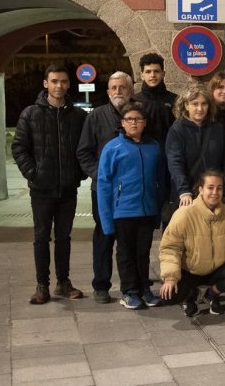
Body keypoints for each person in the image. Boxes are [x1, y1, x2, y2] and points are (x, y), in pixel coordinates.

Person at [12, 65, 88, 304]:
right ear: (46, 83)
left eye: (64, 81)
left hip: (67, 188)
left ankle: (63, 283)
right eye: (54, 81)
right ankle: (42, 285)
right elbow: (19, 147)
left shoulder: (78, 116)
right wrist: (33, 173)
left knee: (64, 237)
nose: (59, 86)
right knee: (41, 237)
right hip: (41, 190)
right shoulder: (31, 113)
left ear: (68, 84)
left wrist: (79, 173)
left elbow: (85, 148)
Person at [97, 102, 165, 310]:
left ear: (144, 123)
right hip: (123, 211)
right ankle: (129, 292)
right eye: (129, 119)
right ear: (122, 123)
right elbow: (104, 184)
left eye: (138, 119)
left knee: (143, 253)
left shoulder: (154, 147)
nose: (134, 123)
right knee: (125, 254)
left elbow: (160, 179)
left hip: (146, 210)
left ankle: (144, 288)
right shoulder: (112, 148)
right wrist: (107, 221)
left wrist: (157, 209)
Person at [159, 171, 225, 316]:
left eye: (219, 188)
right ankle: (191, 295)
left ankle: (212, 294)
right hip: (190, 271)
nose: (215, 192)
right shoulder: (184, 214)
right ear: (200, 189)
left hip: (216, 269)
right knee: (169, 296)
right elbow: (170, 248)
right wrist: (170, 278)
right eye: (210, 187)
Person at [77, 71, 134, 304]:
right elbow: (84, 151)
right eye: (113, 87)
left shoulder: (137, 115)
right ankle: (101, 285)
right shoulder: (96, 116)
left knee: (128, 239)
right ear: (108, 90)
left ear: (130, 91)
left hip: (131, 190)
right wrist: (99, 176)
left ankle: (131, 285)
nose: (118, 91)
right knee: (103, 236)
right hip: (104, 191)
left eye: (122, 87)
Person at [165, 84, 225, 209]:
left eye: (204, 104)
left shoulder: (217, 129)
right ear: (186, 105)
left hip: (214, 195)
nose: (200, 108)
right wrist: (183, 191)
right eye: (195, 104)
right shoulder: (177, 130)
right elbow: (175, 163)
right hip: (189, 196)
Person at [132, 53, 176, 145]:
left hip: (169, 153)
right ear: (142, 75)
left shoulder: (175, 100)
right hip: (143, 153)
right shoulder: (133, 101)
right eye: (148, 72)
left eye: (156, 71)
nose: (152, 75)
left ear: (163, 74)